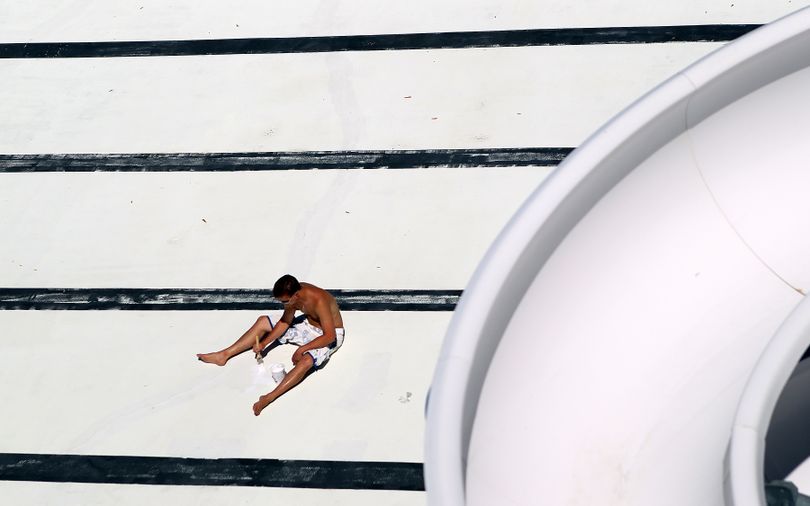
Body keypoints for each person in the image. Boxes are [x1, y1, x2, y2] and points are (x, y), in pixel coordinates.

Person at [197, 274, 345, 416]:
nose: (284, 304)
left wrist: (302, 349)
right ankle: (223, 355)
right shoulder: (292, 297)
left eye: (285, 302)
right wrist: (264, 343)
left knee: (306, 360)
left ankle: (269, 397)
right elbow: (285, 321)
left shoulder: (319, 300)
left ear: (296, 296)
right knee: (263, 321)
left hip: (329, 334)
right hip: (307, 326)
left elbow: (329, 336)